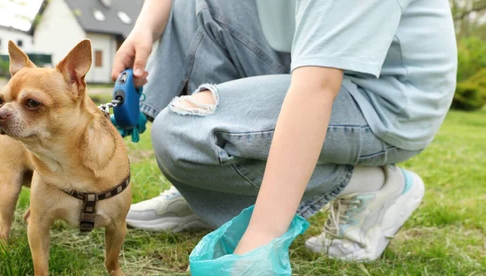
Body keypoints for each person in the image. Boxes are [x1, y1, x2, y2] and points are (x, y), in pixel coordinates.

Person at [112, 0, 457, 260]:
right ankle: (205, 193)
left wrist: (262, 236)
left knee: (184, 134)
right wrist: (146, 27)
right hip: (312, 59)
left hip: (385, 100)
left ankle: (376, 185)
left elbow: (317, 88)